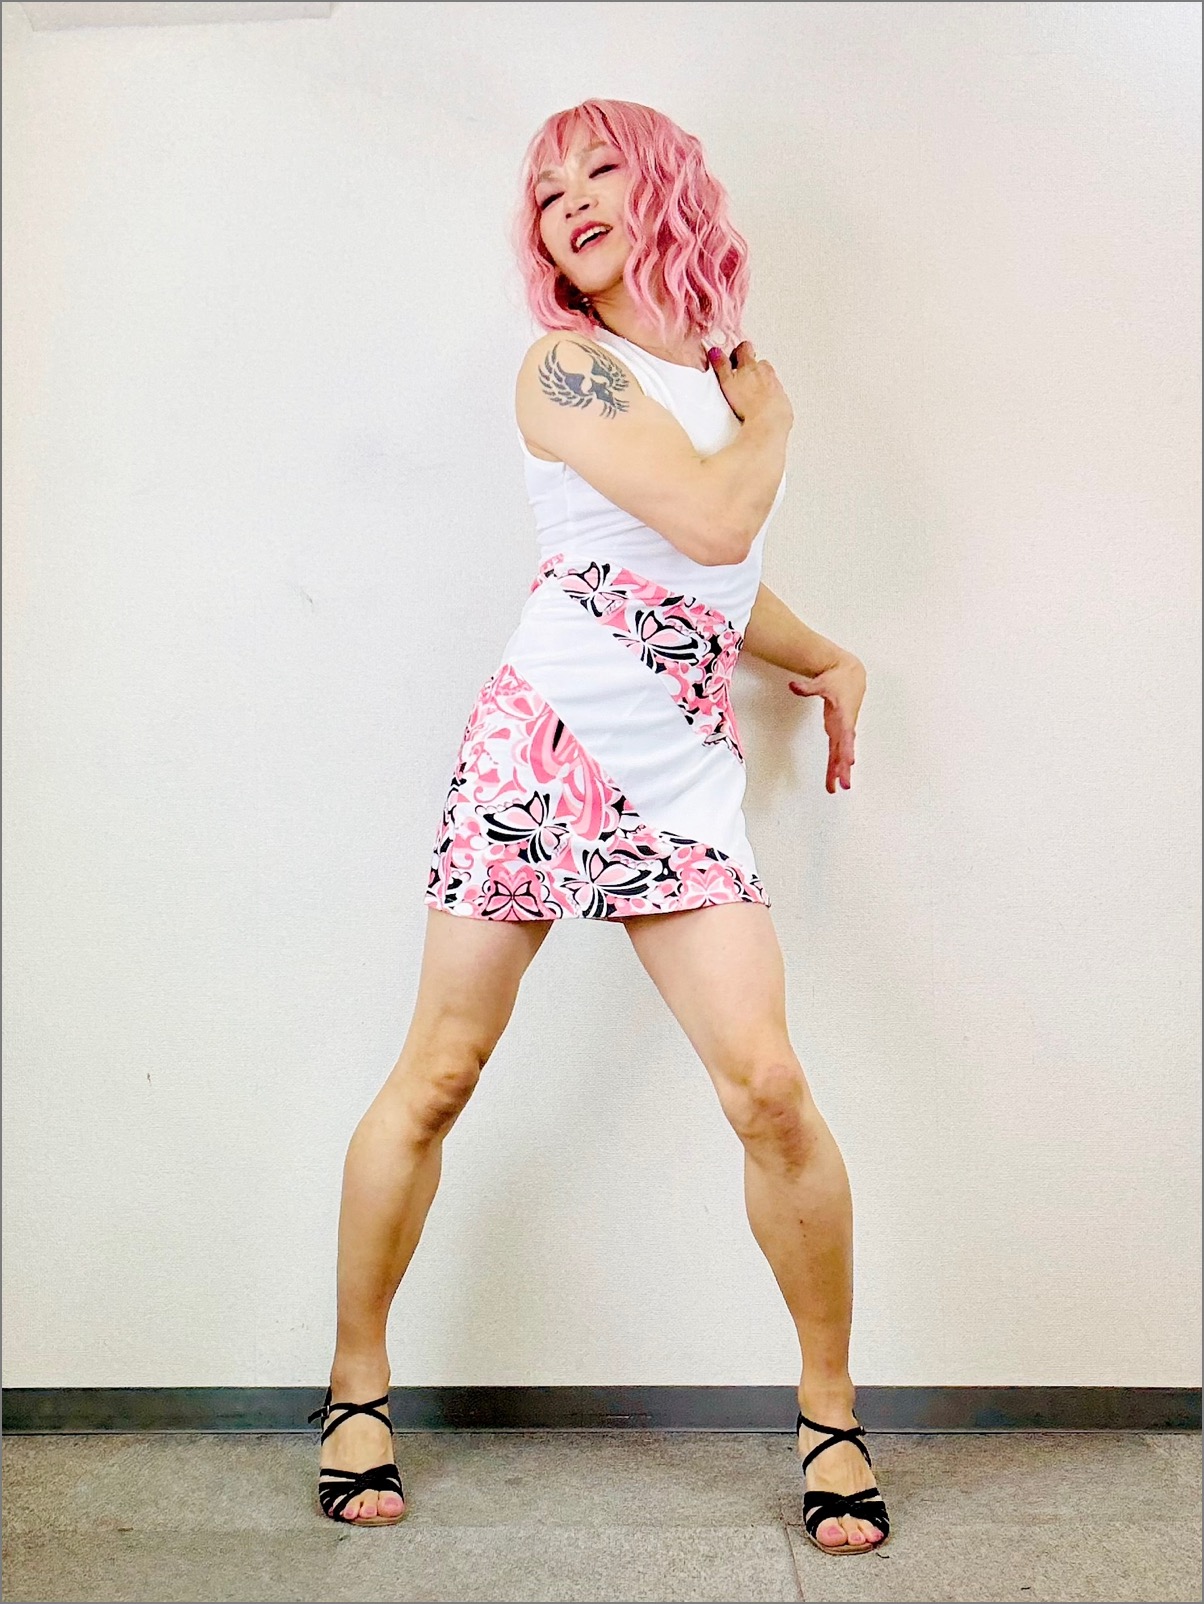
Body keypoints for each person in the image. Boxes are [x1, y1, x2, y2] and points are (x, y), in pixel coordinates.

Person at [307, 97, 890, 1556]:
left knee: (768, 1086)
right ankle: (355, 1385)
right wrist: (779, 421)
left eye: (600, 166)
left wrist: (825, 657)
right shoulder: (565, 367)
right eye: (546, 187)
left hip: (680, 770)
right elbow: (711, 521)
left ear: (665, 184)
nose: (567, 197)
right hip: (543, 741)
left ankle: (830, 1413)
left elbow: (714, 580)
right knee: (441, 1073)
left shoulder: (707, 381)